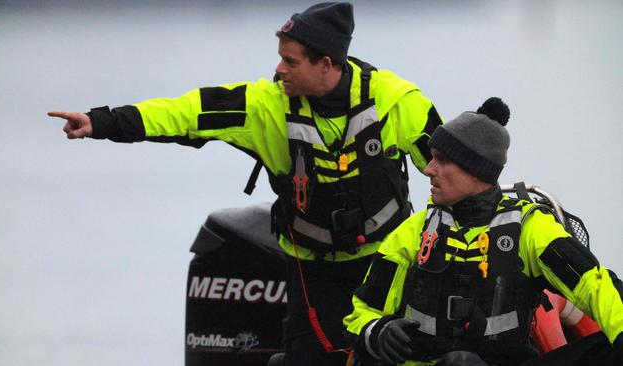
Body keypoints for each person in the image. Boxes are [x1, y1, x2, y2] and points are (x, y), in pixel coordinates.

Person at [48, 3, 443, 365]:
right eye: (279, 59)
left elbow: (451, 176)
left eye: (290, 61)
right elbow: (187, 112)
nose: (279, 70)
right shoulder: (263, 106)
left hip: (385, 264)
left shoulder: (397, 101)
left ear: (325, 63)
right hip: (310, 270)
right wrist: (101, 122)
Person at [343, 98, 623, 365]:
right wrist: (376, 330)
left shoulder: (531, 228)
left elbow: (594, 284)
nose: (428, 169)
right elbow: (361, 311)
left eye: (441, 159)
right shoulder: (413, 232)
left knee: (604, 350)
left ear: (475, 169)